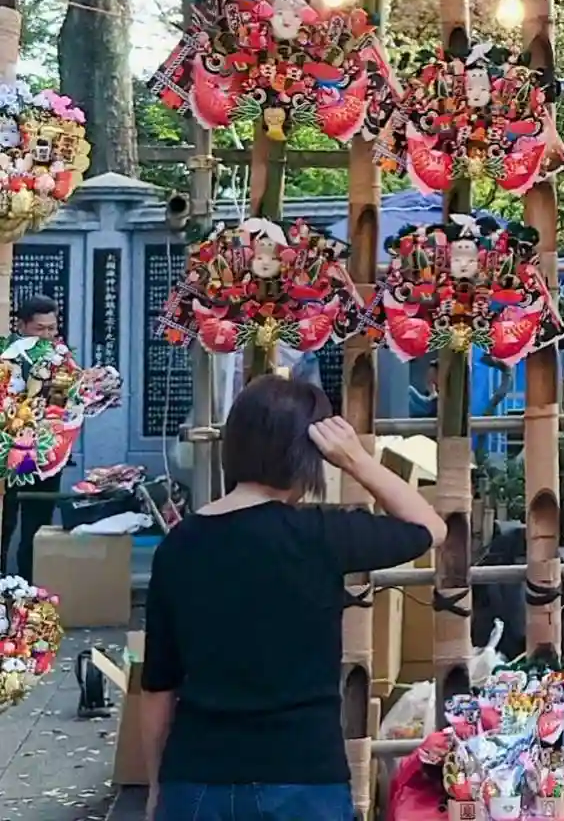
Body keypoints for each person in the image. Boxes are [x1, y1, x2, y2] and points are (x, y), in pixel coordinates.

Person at [140, 376, 446, 821]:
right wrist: (357, 460)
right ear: (309, 457)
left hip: (198, 779)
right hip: (303, 778)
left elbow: (158, 685)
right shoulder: (320, 536)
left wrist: (156, 787)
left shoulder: (179, 546)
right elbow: (430, 528)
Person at [1, 295, 70, 582]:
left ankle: (30, 588)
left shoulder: (61, 359)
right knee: (4, 521)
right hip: (9, 452)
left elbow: (68, 401)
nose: (47, 335)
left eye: (52, 328)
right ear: (21, 326)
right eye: (39, 328)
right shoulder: (6, 357)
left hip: (45, 454)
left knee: (38, 523)